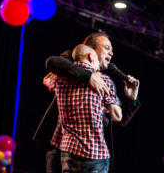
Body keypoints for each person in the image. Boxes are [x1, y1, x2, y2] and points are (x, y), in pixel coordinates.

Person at [33, 32, 140, 173]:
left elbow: (120, 119)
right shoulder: (70, 58)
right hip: (61, 149)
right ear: (91, 50)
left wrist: (131, 99)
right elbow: (52, 63)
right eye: (107, 47)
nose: (112, 53)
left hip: (94, 153)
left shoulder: (106, 81)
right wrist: (89, 76)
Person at [48, 44, 121, 172]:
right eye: (97, 61)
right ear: (91, 57)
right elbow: (117, 116)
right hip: (96, 153)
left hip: (69, 150)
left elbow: (48, 79)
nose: (98, 65)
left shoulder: (59, 77)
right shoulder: (103, 80)